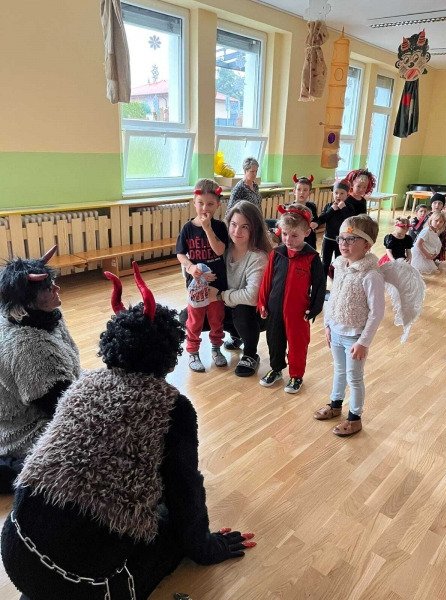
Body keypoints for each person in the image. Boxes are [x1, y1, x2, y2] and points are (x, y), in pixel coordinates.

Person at [1, 263, 256, 600]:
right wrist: (206, 547)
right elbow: (185, 494)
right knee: (169, 524)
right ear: (170, 356)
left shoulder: (82, 385)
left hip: (14, 547)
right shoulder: (174, 409)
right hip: (81, 584)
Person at [0, 246, 80, 494]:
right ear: (27, 302)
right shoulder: (28, 347)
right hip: (22, 425)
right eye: (48, 289)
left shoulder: (46, 315)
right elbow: (59, 406)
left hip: (49, 393)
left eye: (52, 283)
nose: (57, 289)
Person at [313, 215, 385, 436]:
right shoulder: (340, 266)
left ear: (367, 245)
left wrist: (363, 342)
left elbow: (377, 312)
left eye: (351, 239)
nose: (344, 243)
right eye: (341, 238)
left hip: (355, 337)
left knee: (354, 377)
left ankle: (355, 418)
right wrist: (328, 325)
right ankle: (335, 405)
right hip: (336, 331)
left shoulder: (371, 275)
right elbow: (333, 298)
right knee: (339, 370)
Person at [257, 204, 326, 393]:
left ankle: (296, 376)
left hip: (298, 311)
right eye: (285, 234)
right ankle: (276, 369)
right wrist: (262, 302)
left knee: (297, 344)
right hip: (274, 308)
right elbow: (267, 280)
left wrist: (314, 308)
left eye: (294, 235)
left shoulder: (311, 257)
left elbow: (319, 286)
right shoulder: (277, 253)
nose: (288, 239)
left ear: (306, 232)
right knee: (274, 340)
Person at [210, 201, 272, 376]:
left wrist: (220, 296)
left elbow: (252, 296)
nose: (237, 231)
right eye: (234, 224)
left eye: (245, 227)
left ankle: (251, 354)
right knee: (188, 316)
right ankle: (236, 336)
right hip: (230, 305)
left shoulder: (258, 257)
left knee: (242, 309)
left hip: (256, 313)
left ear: (254, 229)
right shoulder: (224, 249)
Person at [176, 179, 228, 373]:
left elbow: (220, 251)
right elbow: (180, 253)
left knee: (216, 318)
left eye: (210, 204)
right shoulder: (187, 228)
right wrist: (189, 267)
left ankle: (216, 348)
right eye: (200, 203)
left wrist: (207, 228)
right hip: (196, 285)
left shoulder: (220, 227)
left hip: (217, 284)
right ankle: (193, 351)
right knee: (195, 320)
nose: (204, 208)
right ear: (194, 202)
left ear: (218, 205)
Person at [310, 179, 353, 279]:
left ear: (347, 195)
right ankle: (322, 284)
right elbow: (322, 219)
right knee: (325, 263)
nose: (338, 195)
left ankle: (338, 283)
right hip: (328, 239)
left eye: (342, 193)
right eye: (336, 193)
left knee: (340, 264)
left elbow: (351, 221)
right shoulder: (329, 206)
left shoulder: (349, 207)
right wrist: (331, 210)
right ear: (332, 193)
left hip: (342, 241)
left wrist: (344, 209)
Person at [428, 193, 446, 262]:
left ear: (443, 206)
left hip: (439, 242)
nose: (437, 205)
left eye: (440, 203)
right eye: (435, 203)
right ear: (431, 204)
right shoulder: (427, 216)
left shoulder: (444, 216)